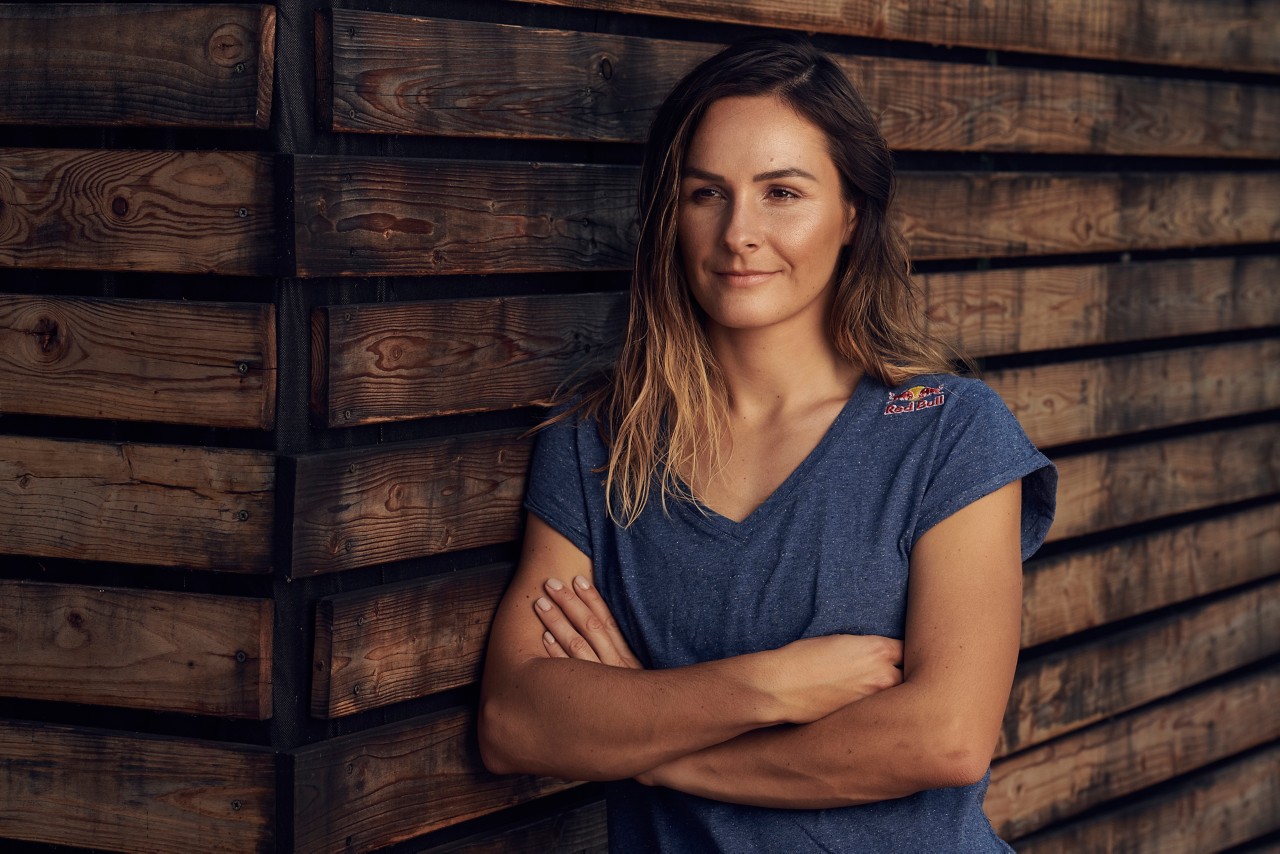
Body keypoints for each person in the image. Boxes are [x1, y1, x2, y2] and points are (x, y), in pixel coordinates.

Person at [478, 35, 1057, 852]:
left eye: (782, 192)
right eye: (706, 193)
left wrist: (654, 748)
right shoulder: (600, 438)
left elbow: (946, 738)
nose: (738, 232)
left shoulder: (947, 429)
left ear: (851, 213)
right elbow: (516, 722)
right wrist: (769, 686)